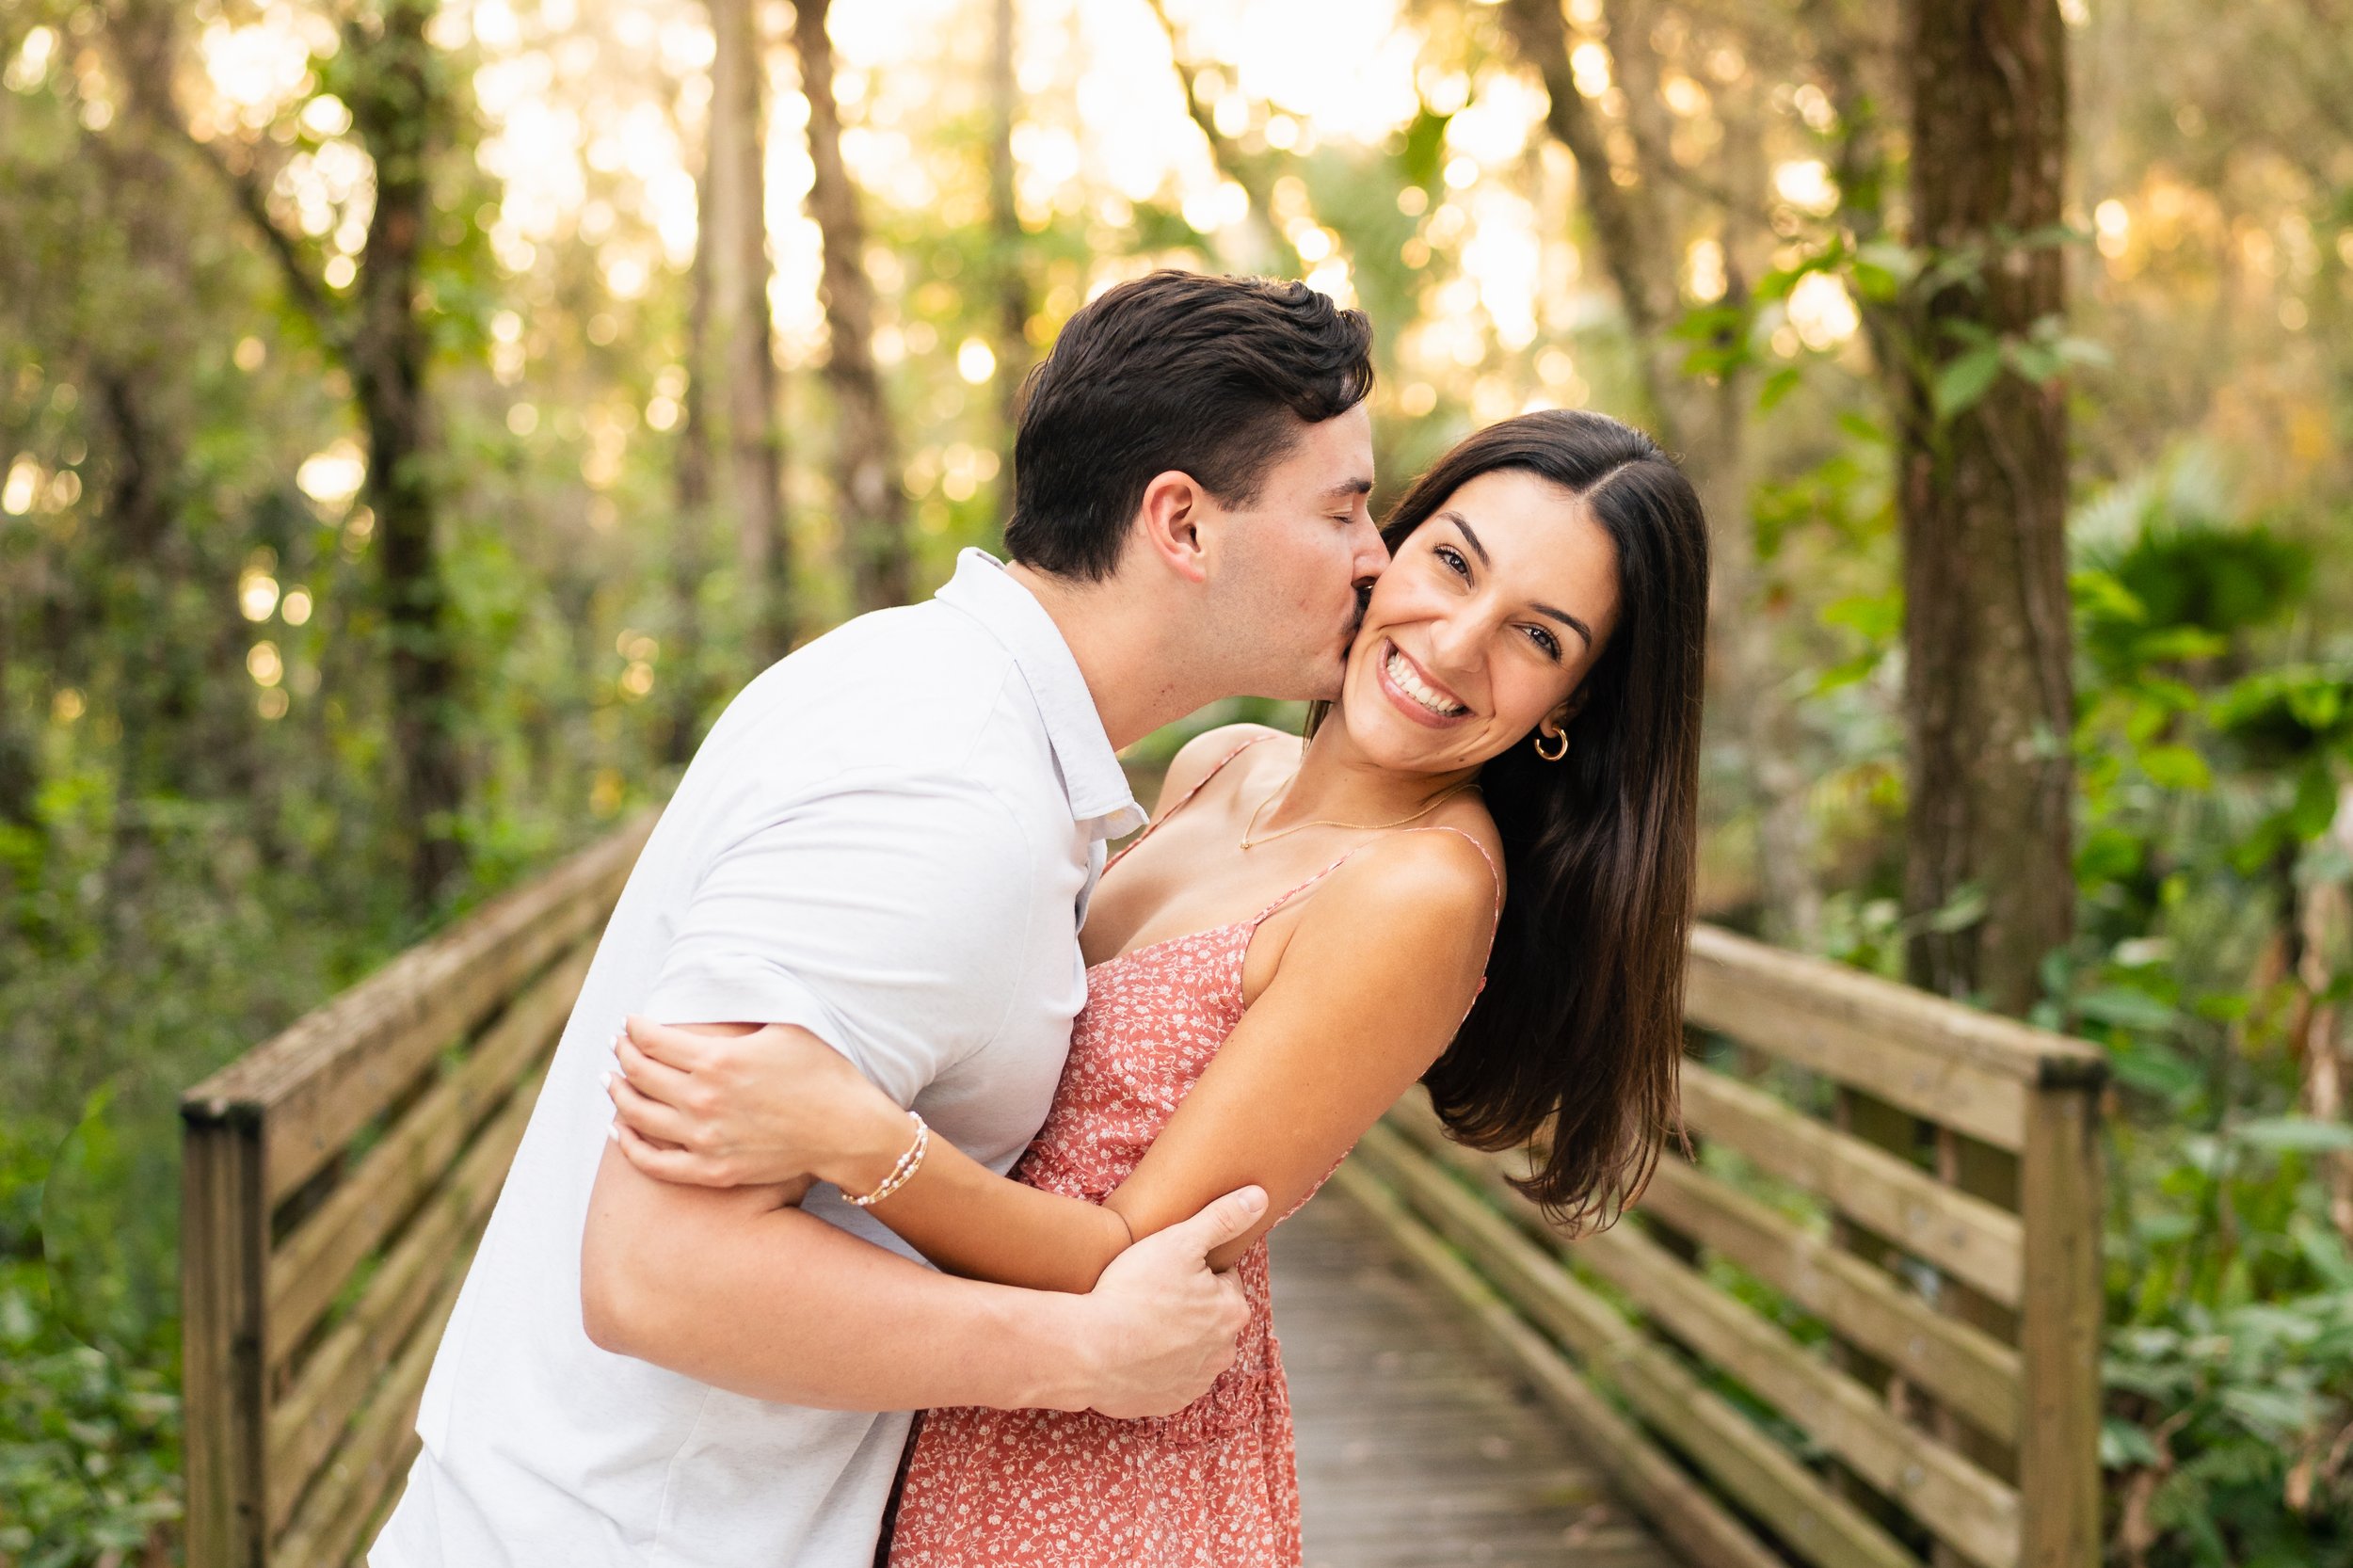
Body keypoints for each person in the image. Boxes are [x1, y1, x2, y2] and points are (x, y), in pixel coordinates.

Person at [368, 270, 1393, 1568]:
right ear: (1182, 525)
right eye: (1345, 509)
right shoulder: (941, 788)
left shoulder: (944, 704)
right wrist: (1081, 1352)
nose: (1378, 556)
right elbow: (654, 1270)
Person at [608, 408, 1712, 1567]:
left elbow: (1131, 1251)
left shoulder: (1421, 890)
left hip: (1099, 1467)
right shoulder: (1225, 760)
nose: (1451, 644)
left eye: (1536, 636)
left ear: (1572, 704)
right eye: (1452, 562)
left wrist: (855, 1138)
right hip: (944, 1389)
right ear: (1392, 541)